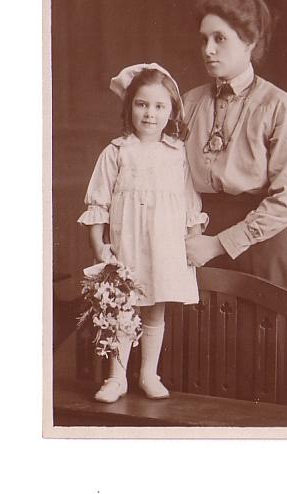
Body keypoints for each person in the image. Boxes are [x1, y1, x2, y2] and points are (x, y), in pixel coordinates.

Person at [77, 63, 208, 403]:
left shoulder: (177, 154)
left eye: (159, 106)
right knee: (121, 308)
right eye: (142, 104)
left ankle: (149, 373)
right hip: (127, 244)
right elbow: (99, 203)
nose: (150, 113)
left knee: (154, 310)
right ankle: (116, 377)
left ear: (171, 111)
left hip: (164, 245)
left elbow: (189, 200)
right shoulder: (117, 152)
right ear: (129, 107)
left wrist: (192, 238)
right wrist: (99, 245)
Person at [183, 0, 287, 302]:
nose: (208, 50)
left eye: (220, 39)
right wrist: (193, 235)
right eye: (203, 40)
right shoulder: (188, 103)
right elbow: (176, 177)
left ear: (249, 42)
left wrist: (219, 244)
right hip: (198, 238)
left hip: (262, 247)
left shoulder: (278, 105)